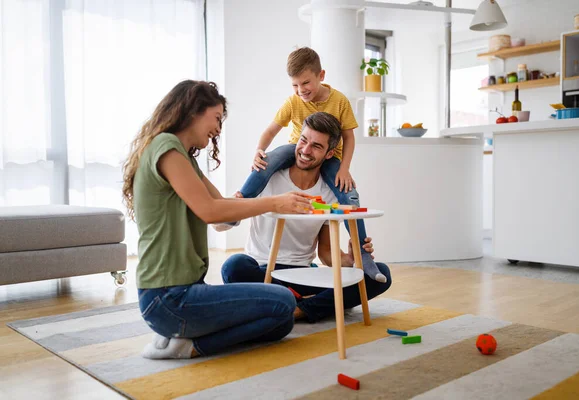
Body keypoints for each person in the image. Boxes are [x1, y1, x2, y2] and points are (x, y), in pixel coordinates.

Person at [121, 80, 314, 359]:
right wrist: (275, 201)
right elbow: (210, 211)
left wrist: (259, 198)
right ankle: (189, 346)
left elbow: (221, 210)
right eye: (216, 117)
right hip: (168, 298)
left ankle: (181, 335)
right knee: (283, 300)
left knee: (282, 320)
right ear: (193, 111)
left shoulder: (184, 157)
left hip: (182, 293)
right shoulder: (166, 147)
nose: (218, 129)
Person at [232, 47, 386, 283]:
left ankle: (363, 255)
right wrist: (258, 152)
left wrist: (344, 168)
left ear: (321, 76)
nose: (301, 90)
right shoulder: (293, 102)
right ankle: (237, 204)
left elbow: (349, 137)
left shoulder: (339, 101)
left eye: (305, 83)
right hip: (291, 148)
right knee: (269, 160)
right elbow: (271, 130)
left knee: (349, 194)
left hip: (332, 158)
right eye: (295, 85)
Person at [222, 112, 392, 323]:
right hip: (261, 271)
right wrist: (232, 204)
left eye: (316, 146)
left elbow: (326, 253)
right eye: (303, 140)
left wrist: (350, 261)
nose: (305, 150)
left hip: (301, 273)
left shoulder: (329, 192)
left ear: (329, 154)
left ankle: (297, 309)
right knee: (234, 266)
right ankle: (306, 303)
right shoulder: (266, 176)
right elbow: (220, 227)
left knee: (380, 274)